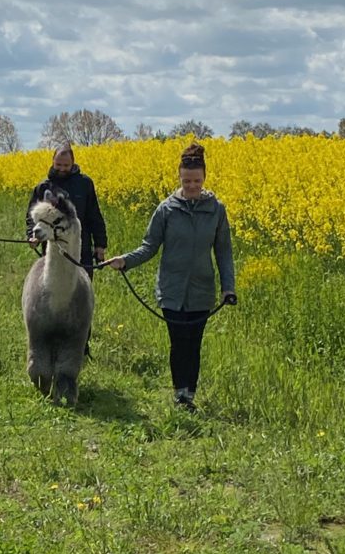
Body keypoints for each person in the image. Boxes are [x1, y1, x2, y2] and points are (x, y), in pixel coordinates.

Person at [104, 142, 236, 411]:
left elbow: (223, 252)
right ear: (179, 177)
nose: (192, 186)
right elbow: (149, 246)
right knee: (178, 342)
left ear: (205, 178)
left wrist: (228, 288)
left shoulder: (216, 210)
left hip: (202, 290)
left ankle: (189, 394)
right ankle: (181, 395)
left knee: (194, 344)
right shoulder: (166, 209)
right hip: (172, 291)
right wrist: (125, 261)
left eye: (197, 181)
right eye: (187, 180)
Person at [26, 144, 107, 278]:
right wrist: (31, 235)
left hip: (82, 249)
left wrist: (100, 245)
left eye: (66, 165)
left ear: (73, 163)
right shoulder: (43, 187)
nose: (62, 169)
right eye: (58, 165)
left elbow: (94, 215)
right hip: (52, 250)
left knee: (81, 293)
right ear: (53, 162)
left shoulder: (84, 184)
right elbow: (31, 216)